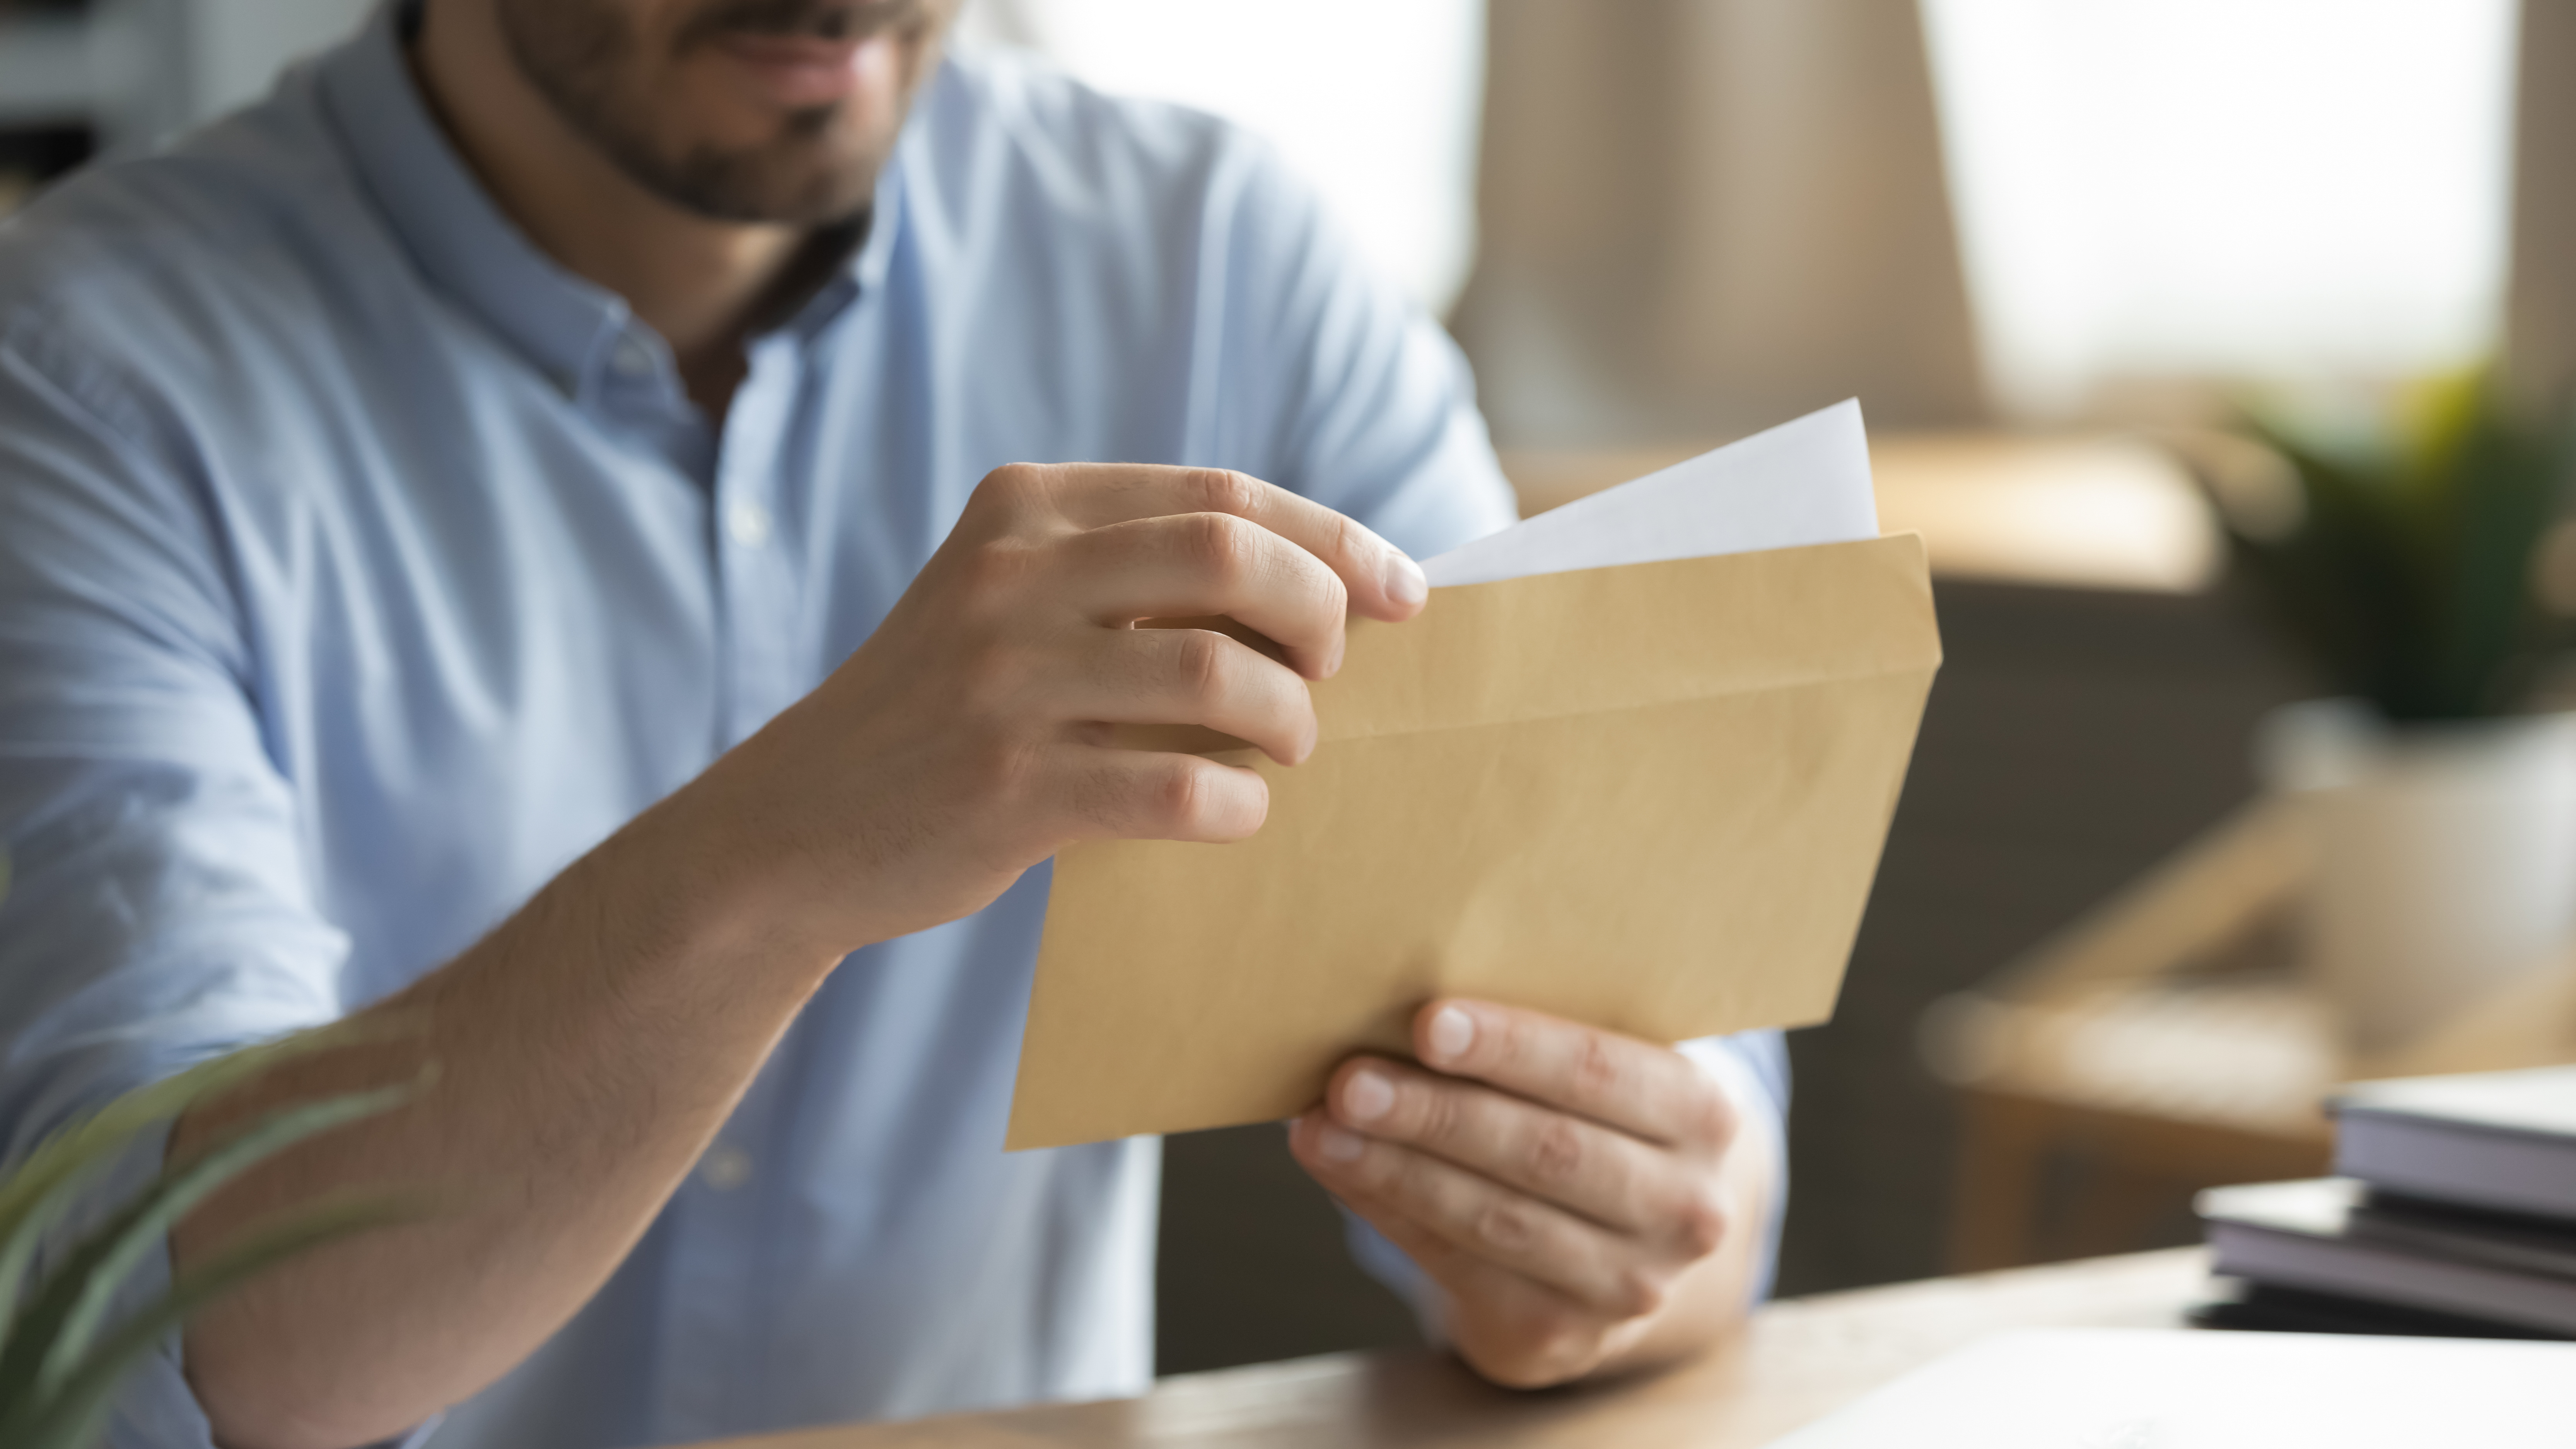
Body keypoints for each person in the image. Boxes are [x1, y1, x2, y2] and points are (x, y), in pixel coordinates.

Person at [0, 1, 1789, 1446]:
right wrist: (788, 846)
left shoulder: (1218, 263)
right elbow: (157, 1354)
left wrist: (1621, 1239)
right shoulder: (76, 381)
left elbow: (1660, 1063)